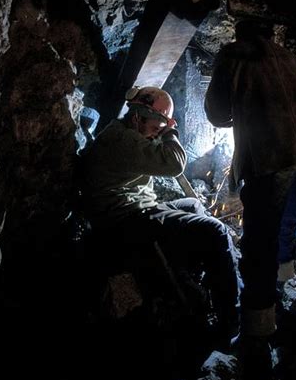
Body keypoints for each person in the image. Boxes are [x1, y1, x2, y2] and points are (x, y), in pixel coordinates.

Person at [204, 19, 296, 349]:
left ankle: (257, 331)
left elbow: (217, 114)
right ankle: (284, 288)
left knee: (258, 243)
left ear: (239, 31)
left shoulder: (232, 55)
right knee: (285, 223)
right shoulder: (292, 58)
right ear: (271, 31)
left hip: (273, 156)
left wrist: (242, 109)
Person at [79, 85, 239, 344]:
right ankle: (230, 321)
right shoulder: (123, 141)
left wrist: (160, 129)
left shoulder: (127, 132)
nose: (158, 132)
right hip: (125, 221)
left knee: (193, 206)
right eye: (156, 126)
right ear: (137, 117)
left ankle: (201, 281)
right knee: (216, 230)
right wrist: (171, 132)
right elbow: (176, 164)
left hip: (139, 210)